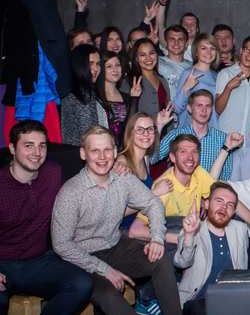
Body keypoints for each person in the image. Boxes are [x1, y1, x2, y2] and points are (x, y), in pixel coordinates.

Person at [51, 126, 182, 315]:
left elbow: (152, 202)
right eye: (95, 151)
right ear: (83, 153)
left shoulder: (123, 178)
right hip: (81, 258)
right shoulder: (71, 192)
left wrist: (156, 238)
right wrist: (104, 269)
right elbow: (61, 245)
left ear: (114, 152)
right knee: (109, 295)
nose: (102, 157)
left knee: (160, 259)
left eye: (107, 150)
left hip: (114, 245)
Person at [0, 121, 93, 315]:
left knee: (81, 284)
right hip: (3, 264)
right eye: (28, 145)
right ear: (12, 149)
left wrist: (120, 163)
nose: (37, 152)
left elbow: (87, 181)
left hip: (39, 261)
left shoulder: (53, 173)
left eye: (42, 145)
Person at [173, 182, 249, 315]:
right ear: (207, 204)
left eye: (230, 205)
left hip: (232, 301)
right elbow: (181, 262)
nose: (224, 208)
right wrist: (189, 235)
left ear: (233, 212)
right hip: (198, 301)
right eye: (219, 201)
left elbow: (243, 271)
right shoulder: (194, 228)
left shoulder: (241, 230)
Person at [129, 134, 214, 246]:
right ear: (173, 157)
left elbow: (222, 194)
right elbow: (135, 230)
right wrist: (181, 239)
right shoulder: (164, 189)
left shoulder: (199, 173)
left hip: (191, 235)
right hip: (170, 242)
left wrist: (207, 202)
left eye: (194, 152)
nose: (190, 157)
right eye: (183, 152)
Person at [159, 90, 231, 178]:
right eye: (199, 105)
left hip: (211, 186)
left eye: (208, 106)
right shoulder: (176, 135)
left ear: (211, 110)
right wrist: (159, 126)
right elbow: (152, 158)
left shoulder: (223, 139)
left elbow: (226, 176)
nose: (204, 110)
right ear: (189, 108)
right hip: (181, 186)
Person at [215, 36, 250, 141]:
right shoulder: (226, 74)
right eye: (247, 49)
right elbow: (218, 109)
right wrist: (228, 87)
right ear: (241, 50)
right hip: (226, 137)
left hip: (248, 140)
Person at [61, 44, 108, 146]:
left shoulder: (90, 92)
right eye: (91, 63)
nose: (96, 68)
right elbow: (89, 136)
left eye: (98, 64)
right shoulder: (78, 97)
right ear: (80, 65)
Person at [173, 34, 219, 129]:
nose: (209, 52)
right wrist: (186, 88)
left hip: (213, 130)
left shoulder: (217, 76)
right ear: (196, 52)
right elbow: (176, 108)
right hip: (191, 131)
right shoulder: (189, 73)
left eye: (212, 48)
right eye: (203, 48)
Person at [97, 51, 138, 149]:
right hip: (103, 149)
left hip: (126, 149)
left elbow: (131, 125)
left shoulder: (127, 97)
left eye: (117, 65)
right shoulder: (96, 97)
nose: (115, 69)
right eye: (109, 66)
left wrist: (134, 98)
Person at [130, 38, 171, 119]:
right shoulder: (130, 81)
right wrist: (134, 98)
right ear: (136, 58)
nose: (148, 58)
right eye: (143, 55)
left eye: (151, 53)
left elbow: (168, 109)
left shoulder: (162, 80)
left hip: (164, 126)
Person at [159, 25, 193, 96]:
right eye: (172, 39)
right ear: (166, 42)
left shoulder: (193, 67)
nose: (176, 43)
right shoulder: (156, 62)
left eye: (180, 39)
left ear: (186, 44)